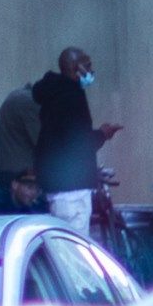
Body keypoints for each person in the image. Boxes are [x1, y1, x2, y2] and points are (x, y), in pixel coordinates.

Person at [29, 49, 118, 234]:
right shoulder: (71, 97)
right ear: (75, 67)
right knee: (74, 254)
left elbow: (68, 137)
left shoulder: (55, 95)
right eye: (88, 64)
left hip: (57, 191)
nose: (91, 70)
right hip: (73, 194)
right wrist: (102, 134)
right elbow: (80, 143)